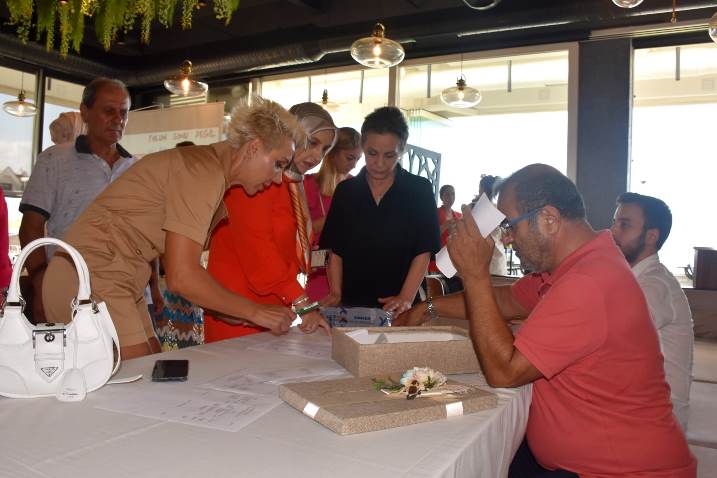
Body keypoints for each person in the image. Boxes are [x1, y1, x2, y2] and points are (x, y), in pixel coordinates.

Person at [396, 164, 695, 477]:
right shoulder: (576, 262)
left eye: (511, 226)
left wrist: (475, 275)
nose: (507, 239)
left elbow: (504, 371)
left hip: (618, 471)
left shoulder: (589, 281)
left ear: (549, 219)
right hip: (572, 459)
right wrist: (428, 307)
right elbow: (506, 300)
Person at [42, 96, 301, 359]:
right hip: (92, 274)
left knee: (154, 364)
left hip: (119, 275)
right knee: (140, 376)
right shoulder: (203, 172)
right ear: (254, 147)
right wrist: (254, 311)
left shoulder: (209, 171)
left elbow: (174, 261)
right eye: (278, 164)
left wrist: (231, 310)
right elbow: (182, 277)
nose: (278, 179)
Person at [204, 102, 337, 342]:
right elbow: (258, 249)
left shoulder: (294, 184)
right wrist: (303, 303)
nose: (318, 156)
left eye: (325, 149)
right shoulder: (255, 179)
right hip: (238, 308)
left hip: (275, 308)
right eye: (312, 142)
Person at [19, 78, 139, 323]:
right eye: (109, 110)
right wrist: (42, 285)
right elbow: (30, 229)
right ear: (85, 112)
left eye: (123, 112)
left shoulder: (136, 168)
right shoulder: (54, 160)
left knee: (134, 349)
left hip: (128, 292)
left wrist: (153, 289)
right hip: (68, 289)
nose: (118, 119)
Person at [319, 106, 441, 314]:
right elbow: (336, 250)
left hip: (402, 307)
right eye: (372, 153)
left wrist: (405, 297)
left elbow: (423, 251)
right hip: (351, 305)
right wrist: (336, 292)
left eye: (389, 155)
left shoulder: (419, 190)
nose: (379, 163)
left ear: (402, 150)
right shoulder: (346, 191)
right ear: (363, 147)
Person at [611, 192, 694, 430]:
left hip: (657, 419)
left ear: (651, 236)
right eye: (614, 222)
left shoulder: (655, 284)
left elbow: (609, 334)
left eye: (624, 225)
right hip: (637, 404)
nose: (612, 232)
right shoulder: (631, 277)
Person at [304, 126, 361, 301]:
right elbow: (301, 230)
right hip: (319, 273)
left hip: (352, 272)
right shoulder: (309, 184)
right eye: (349, 158)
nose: (354, 165)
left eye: (358, 159)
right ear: (332, 153)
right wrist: (336, 217)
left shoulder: (357, 187)